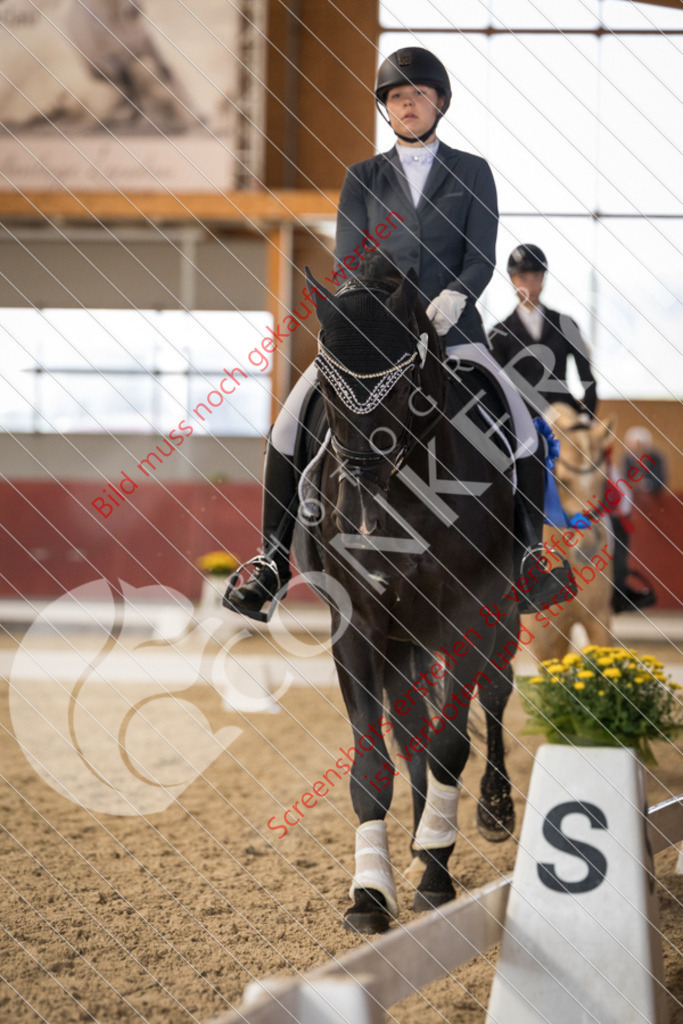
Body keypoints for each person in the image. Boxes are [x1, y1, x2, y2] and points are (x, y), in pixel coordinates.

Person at [225, 48, 571, 621]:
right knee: (288, 423)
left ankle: (530, 558)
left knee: (523, 428)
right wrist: (383, 315)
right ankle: (270, 561)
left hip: (454, 330)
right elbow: (350, 263)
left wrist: (454, 296)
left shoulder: (473, 171)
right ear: (387, 109)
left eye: (419, 95)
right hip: (378, 339)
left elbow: (481, 254)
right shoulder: (363, 176)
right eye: (397, 97)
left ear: (441, 102)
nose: (408, 105)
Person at [489, 245, 597, 420]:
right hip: (521, 423)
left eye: (536, 277)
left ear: (544, 278)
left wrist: (586, 417)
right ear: (511, 279)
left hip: (564, 420)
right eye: (523, 278)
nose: (530, 286)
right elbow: (496, 387)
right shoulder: (498, 334)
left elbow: (587, 376)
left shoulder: (566, 324)